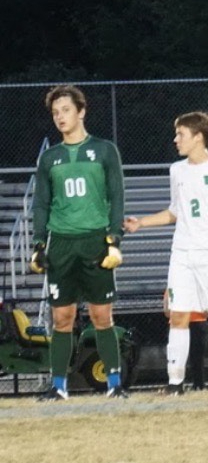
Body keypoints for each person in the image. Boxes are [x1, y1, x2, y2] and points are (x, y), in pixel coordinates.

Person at [125, 112, 208, 394]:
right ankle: (174, 382)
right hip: (183, 253)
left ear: (198, 137)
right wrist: (142, 223)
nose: (176, 140)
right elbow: (175, 211)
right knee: (178, 314)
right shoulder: (177, 170)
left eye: (181, 134)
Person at [30, 85, 127, 400]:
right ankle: (58, 386)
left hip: (95, 241)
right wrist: (38, 243)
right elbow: (41, 204)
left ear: (81, 112)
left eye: (66, 110)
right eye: (55, 112)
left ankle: (114, 384)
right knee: (62, 318)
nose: (60, 117)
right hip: (62, 245)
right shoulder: (50, 158)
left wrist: (114, 240)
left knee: (102, 316)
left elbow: (117, 197)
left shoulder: (104, 150)